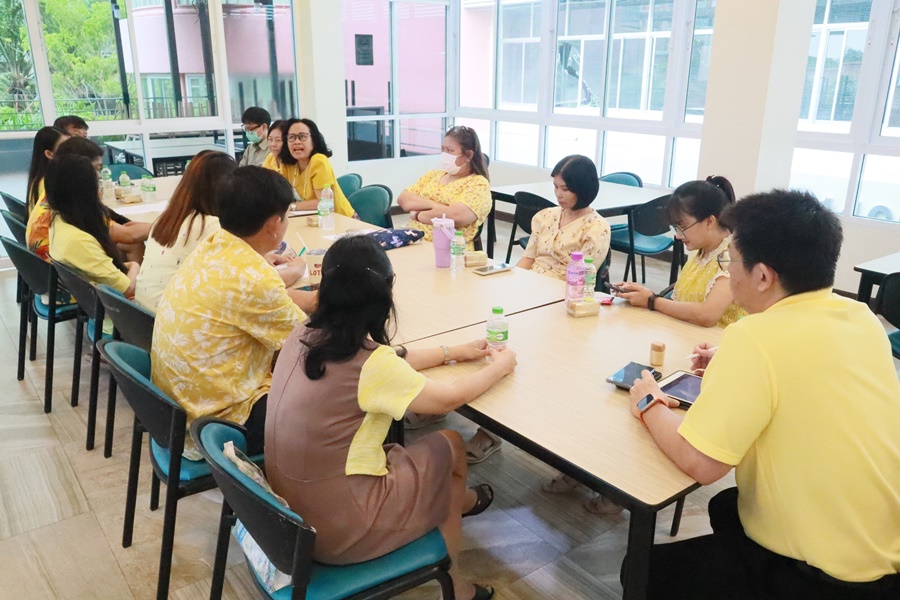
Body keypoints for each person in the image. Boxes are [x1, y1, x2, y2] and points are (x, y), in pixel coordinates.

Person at [625, 190, 900, 599]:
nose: (728, 269)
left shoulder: (753, 337)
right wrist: (730, 361)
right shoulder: (861, 317)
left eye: (732, 260)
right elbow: (806, 367)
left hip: (827, 580)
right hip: (885, 550)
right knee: (727, 508)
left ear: (763, 276)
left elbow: (702, 464)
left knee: (641, 570)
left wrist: (648, 402)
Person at [265, 235, 517, 600]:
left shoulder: (304, 333)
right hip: (338, 530)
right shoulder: (370, 363)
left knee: (426, 460)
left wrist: (452, 351)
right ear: (386, 293)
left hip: (287, 513)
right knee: (450, 446)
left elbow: (389, 361)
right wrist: (502, 365)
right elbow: (449, 399)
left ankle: (456, 501)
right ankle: (458, 585)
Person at [152, 167, 316, 459]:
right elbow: (310, 344)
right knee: (337, 394)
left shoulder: (212, 246)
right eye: (287, 216)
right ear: (275, 224)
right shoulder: (253, 278)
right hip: (217, 424)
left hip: (175, 410)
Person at [615, 176, 746, 328]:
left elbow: (707, 315)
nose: (677, 236)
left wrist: (652, 301)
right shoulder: (702, 253)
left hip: (716, 340)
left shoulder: (730, 257)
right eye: (675, 228)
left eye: (682, 227)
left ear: (709, 222)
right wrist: (645, 295)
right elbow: (681, 302)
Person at [134, 151, 237, 312]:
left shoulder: (167, 218)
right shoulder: (211, 226)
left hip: (141, 314)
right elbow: (242, 278)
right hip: (170, 319)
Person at [27, 137, 149, 263]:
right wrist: (160, 226)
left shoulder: (57, 190)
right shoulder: (75, 201)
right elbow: (129, 235)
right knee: (133, 242)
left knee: (132, 243)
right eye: (95, 168)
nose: (99, 175)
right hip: (64, 267)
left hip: (51, 265)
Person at [46, 154, 139, 298]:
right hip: (110, 306)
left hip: (92, 298)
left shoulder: (58, 220)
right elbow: (128, 289)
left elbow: (104, 270)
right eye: (98, 183)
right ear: (86, 192)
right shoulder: (78, 241)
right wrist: (135, 266)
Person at [517, 154, 611, 279]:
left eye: (565, 189)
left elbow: (580, 277)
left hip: (564, 286)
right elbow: (528, 259)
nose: (558, 194)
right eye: (556, 187)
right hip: (532, 280)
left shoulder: (596, 228)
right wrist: (512, 280)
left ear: (583, 189)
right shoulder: (545, 216)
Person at [398, 125, 491, 250]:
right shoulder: (433, 175)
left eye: (450, 150)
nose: (445, 154)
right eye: (443, 149)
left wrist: (418, 214)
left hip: (450, 250)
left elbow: (455, 217)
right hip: (413, 241)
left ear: (468, 155)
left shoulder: (478, 184)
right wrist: (438, 207)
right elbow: (404, 199)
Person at [277, 118, 355, 216]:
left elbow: (323, 202)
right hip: (310, 218)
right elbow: (280, 196)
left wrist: (292, 206)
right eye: (291, 137)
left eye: (302, 136)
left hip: (339, 218)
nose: (296, 142)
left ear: (314, 141)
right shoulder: (288, 165)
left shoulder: (319, 161)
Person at [25, 126, 68, 215]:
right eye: (65, 148)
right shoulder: (48, 183)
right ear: (49, 154)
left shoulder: (43, 177)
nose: (73, 150)